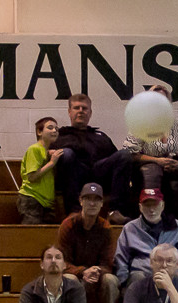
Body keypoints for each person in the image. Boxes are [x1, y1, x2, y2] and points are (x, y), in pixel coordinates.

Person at [53, 93, 133, 223]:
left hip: (99, 175)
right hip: (75, 175)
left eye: (84, 108)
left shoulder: (100, 136)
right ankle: (74, 211)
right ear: (69, 112)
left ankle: (115, 211)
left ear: (90, 113)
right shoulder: (59, 136)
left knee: (124, 154)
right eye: (76, 108)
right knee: (66, 153)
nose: (81, 111)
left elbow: (116, 160)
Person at [122, 83, 178, 219]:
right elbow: (130, 152)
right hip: (149, 163)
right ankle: (150, 214)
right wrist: (158, 161)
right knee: (152, 170)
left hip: (174, 163)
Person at [114, 188, 178, 289]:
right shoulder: (129, 228)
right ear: (140, 207)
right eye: (147, 205)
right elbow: (121, 259)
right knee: (137, 277)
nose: (151, 210)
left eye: (155, 205)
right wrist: (123, 282)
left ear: (162, 205)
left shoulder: (177, 227)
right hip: (141, 274)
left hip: (171, 274)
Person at [57, 183, 119, 303]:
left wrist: (97, 271)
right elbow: (62, 262)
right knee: (69, 279)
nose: (92, 203)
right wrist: (83, 271)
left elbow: (108, 263)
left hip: (97, 275)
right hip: (74, 273)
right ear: (80, 201)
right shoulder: (68, 225)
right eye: (88, 199)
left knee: (111, 280)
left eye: (96, 200)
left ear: (101, 204)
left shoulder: (105, 227)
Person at [19, 246, 88, 303]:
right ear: (41, 264)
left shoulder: (76, 288)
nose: (53, 261)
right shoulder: (30, 290)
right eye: (49, 257)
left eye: (58, 257)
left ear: (65, 265)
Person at [17, 116, 63, 224]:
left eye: (56, 129)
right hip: (32, 198)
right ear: (39, 132)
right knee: (32, 231)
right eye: (50, 128)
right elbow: (32, 177)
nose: (54, 131)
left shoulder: (47, 151)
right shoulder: (34, 149)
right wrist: (52, 163)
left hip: (46, 202)